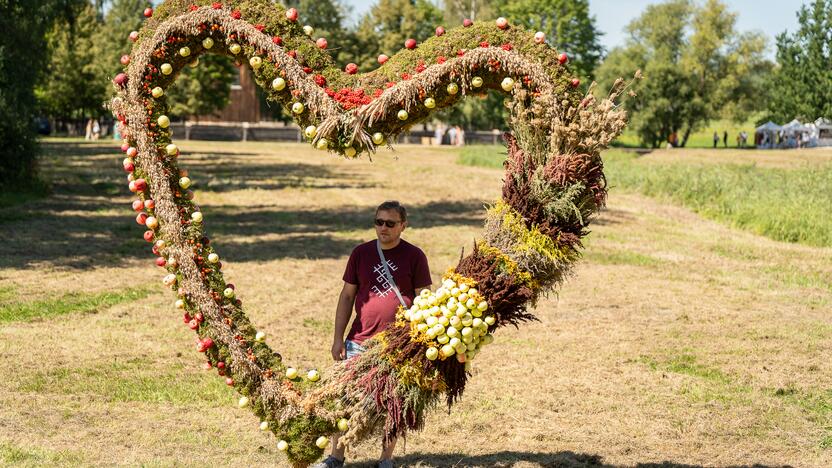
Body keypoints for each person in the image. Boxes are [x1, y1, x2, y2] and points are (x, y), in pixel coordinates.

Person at [314, 201, 432, 468]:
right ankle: (336, 457)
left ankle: (386, 460)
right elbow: (346, 296)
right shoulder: (361, 253)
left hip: (398, 344)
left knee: (393, 401)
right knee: (344, 399)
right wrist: (337, 338)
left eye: (390, 223)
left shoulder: (415, 256)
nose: (383, 228)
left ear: (403, 225)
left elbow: (425, 297)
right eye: (379, 222)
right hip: (359, 340)